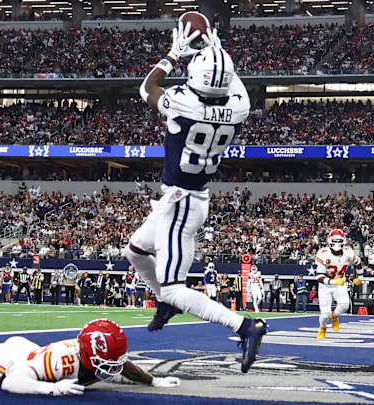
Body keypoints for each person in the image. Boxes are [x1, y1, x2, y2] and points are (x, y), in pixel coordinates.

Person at [123, 24, 265, 373]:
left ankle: (246, 326)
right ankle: (165, 302)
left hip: (181, 203)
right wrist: (219, 52)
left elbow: (148, 86)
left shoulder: (182, 103)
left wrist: (173, 55)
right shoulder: (239, 108)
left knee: (174, 288)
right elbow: (232, 83)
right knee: (135, 250)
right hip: (186, 197)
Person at [0, 278, 181, 395]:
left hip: (27, 351)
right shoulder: (60, 363)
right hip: (12, 364)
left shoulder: (94, 354)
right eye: (107, 361)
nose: (115, 367)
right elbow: (12, 382)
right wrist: (51, 389)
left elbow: (122, 364)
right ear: (90, 355)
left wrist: (154, 381)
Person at [314, 229, 363, 339]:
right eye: (334, 241)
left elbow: (358, 263)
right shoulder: (323, 254)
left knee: (345, 306)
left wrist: (360, 277)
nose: (336, 244)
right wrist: (333, 281)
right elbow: (319, 277)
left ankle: (335, 316)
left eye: (339, 241)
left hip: (339, 283)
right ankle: (323, 328)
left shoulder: (348, 252)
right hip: (325, 285)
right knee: (325, 314)